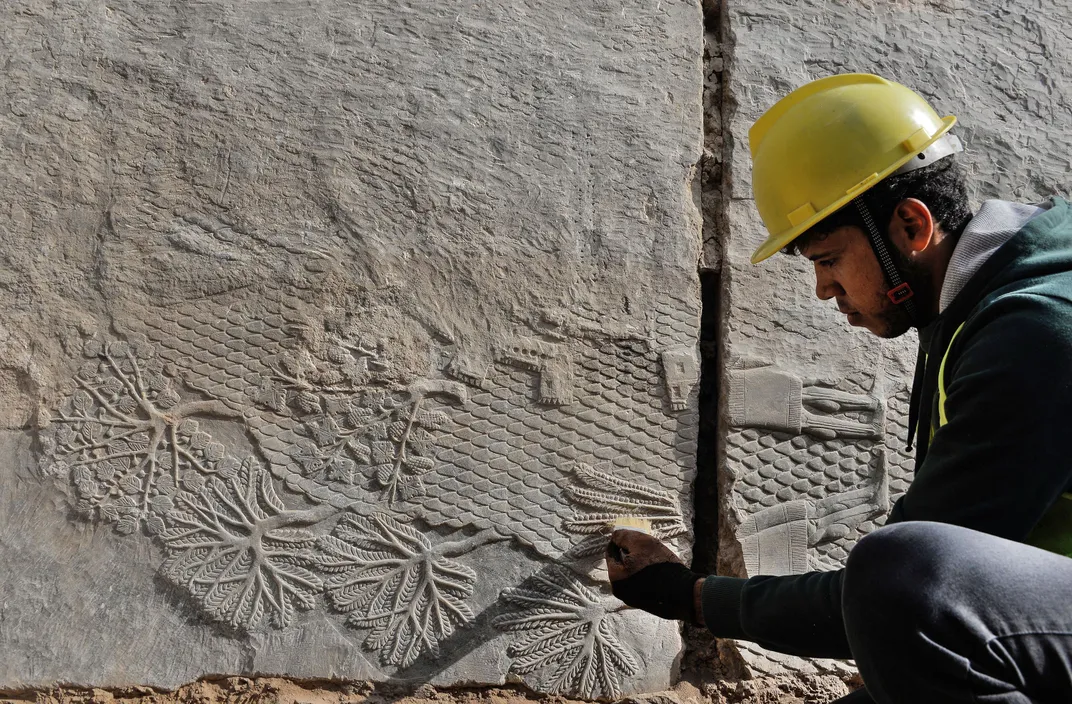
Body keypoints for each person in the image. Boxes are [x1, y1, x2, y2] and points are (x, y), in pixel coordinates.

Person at [605, 74, 1072, 703]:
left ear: (910, 225)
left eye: (827, 259)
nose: (824, 289)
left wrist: (694, 597)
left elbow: (909, 591)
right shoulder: (975, 304)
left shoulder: (1036, 335)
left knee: (898, 573)